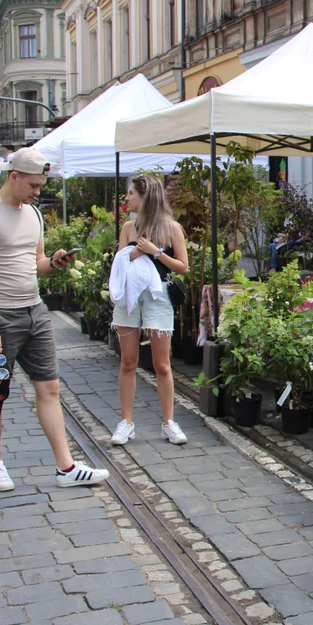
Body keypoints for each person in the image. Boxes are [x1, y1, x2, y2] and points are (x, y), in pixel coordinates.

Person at [0, 147, 109, 491]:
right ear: (14, 177)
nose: (38, 192)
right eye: (33, 185)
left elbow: (36, 262)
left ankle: (66, 467)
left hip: (35, 311)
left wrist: (53, 263)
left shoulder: (34, 214)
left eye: (41, 185)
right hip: (0, 315)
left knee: (50, 387)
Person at [109, 173, 189, 447]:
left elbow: (183, 267)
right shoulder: (128, 228)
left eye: (131, 193)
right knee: (128, 361)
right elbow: (119, 267)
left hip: (158, 298)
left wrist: (156, 252)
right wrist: (132, 254)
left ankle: (169, 422)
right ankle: (126, 422)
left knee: (162, 364)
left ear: (145, 196)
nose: (127, 197)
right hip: (130, 298)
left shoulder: (171, 228)